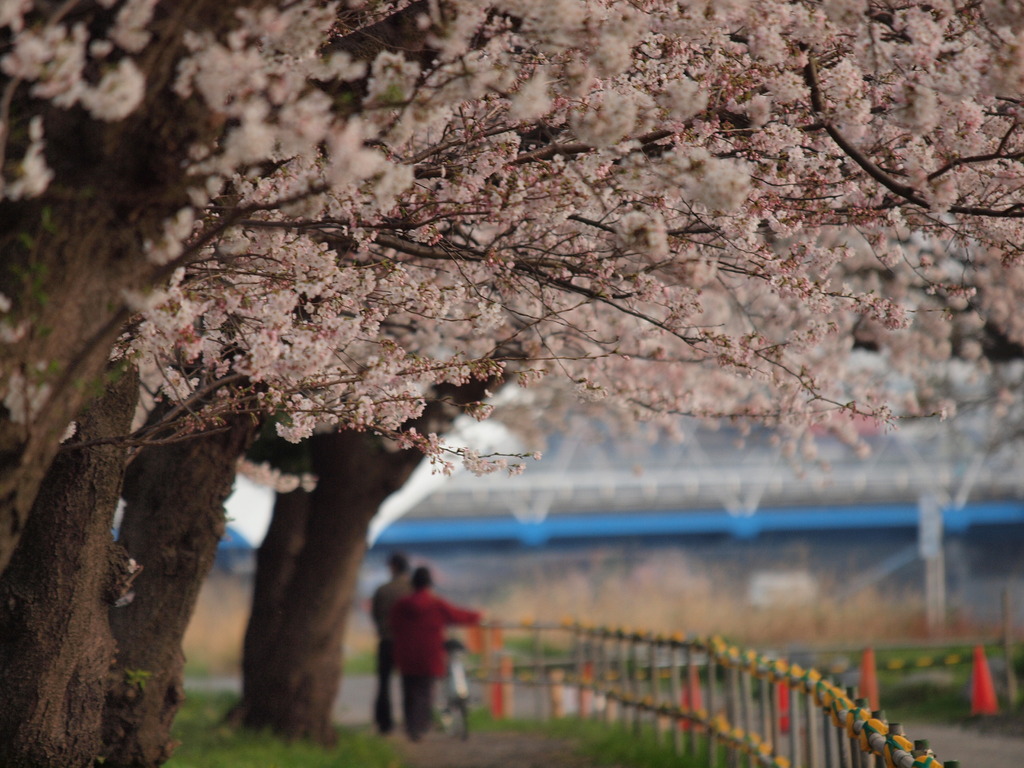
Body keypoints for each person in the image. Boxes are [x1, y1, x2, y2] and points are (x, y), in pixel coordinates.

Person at [390, 565, 481, 742]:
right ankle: (421, 724)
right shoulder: (435, 604)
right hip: (429, 654)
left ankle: (411, 726)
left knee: (409, 690)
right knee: (425, 691)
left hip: (406, 654)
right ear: (429, 584)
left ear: (413, 584)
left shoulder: (401, 606)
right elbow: (457, 615)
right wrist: (477, 615)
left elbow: (393, 624)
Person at [370, 551, 412, 734]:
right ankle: (412, 721)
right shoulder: (412, 589)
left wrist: (382, 629)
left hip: (386, 641)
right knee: (409, 682)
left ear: (393, 566)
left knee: (384, 683)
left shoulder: (383, 589)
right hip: (408, 643)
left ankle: (384, 723)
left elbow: (375, 615)